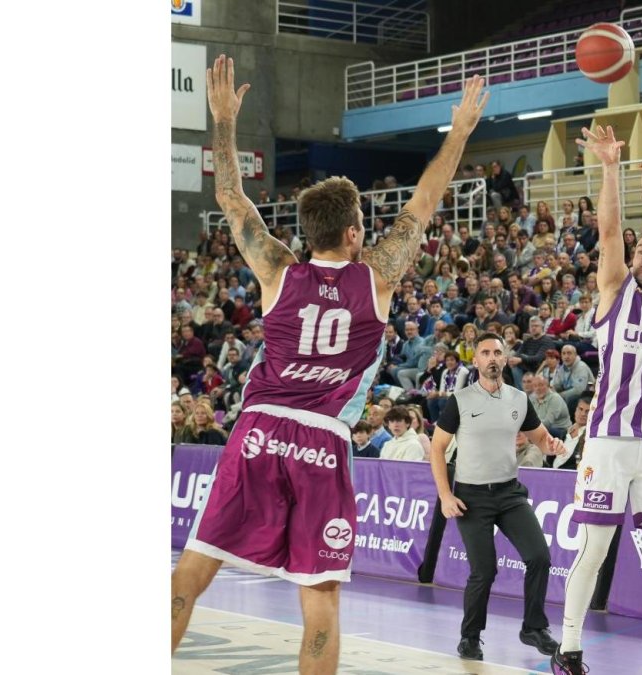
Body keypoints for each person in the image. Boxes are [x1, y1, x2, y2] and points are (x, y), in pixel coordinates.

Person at [171, 57, 490, 675]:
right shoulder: (377, 277)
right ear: (351, 233)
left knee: (191, 573)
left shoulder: (276, 270)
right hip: (321, 440)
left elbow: (231, 197)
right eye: (363, 225)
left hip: (259, 429)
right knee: (320, 601)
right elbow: (425, 201)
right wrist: (459, 133)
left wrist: (225, 121)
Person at [553, 126, 642, 675]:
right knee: (593, 549)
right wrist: (611, 169)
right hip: (609, 439)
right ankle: (569, 649)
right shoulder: (615, 290)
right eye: (641, 248)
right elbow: (611, 229)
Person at [427, 332, 565, 661]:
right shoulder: (460, 400)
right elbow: (437, 448)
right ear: (476, 360)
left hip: (509, 493)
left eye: (497, 352)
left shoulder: (519, 399)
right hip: (471, 497)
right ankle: (470, 637)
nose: (492, 357)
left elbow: (540, 438)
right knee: (484, 571)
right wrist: (445, 495)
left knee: (539, 557)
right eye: (485, 352)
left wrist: (552, 445)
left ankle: (533, 628)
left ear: (504, 358)